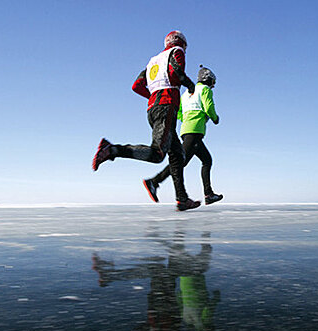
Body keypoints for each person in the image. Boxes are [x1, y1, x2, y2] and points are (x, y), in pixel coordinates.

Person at [92, 30, 200, 211]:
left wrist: (154, 96)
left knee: (177, 155)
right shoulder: (176, 52)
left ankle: (182, 199)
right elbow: (176, 72)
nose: (185, 49)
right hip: (166, 107)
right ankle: (111, 150)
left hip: (154, 108)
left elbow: (137, 85)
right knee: (157, 154)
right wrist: (189, 85)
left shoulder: (153, 61)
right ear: (179, 42)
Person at [143, 66, 223, 205]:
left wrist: (186, 120)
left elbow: (179, 111)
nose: (213, 86)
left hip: (186, 130)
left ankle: (208, 194)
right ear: (208, 80)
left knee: (206, 160)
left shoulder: (186, 93)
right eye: (213, 83)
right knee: (180, 163)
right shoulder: (205, 90)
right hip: (195, 131)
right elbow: (208, 106)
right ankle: (154, 181)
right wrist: (215, 118)